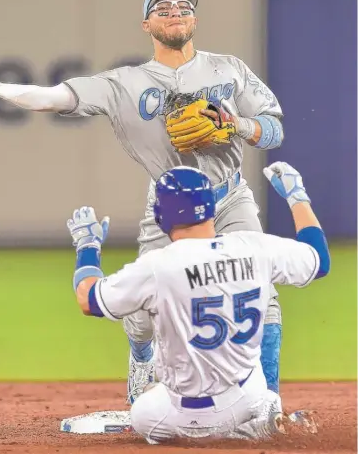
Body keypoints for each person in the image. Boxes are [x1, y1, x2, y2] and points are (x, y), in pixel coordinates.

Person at [0, 0, 285, 407]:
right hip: (169, 206)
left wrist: (238, 125)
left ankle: (269, 405)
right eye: (163, 7)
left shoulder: (229, 69)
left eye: (183, 6)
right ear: (146, 23)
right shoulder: (123, 83)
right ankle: (141, 357)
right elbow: (52, 97)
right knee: (142, 313)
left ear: (195, 19)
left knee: (263, 293)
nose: (175, 11)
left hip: (230, 197)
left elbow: (274, 130)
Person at [65, 161, 329, 443]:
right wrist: (297, 196)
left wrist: (87, 246)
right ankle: (258, 419)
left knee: (142, 411)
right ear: (212, 208)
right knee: (259, 390)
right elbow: (319, 260)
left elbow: (88, 300)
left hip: (186, 414)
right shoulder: (254, 247)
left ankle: (227, 432)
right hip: (247, 394)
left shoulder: (158, 266)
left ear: (160, 216)